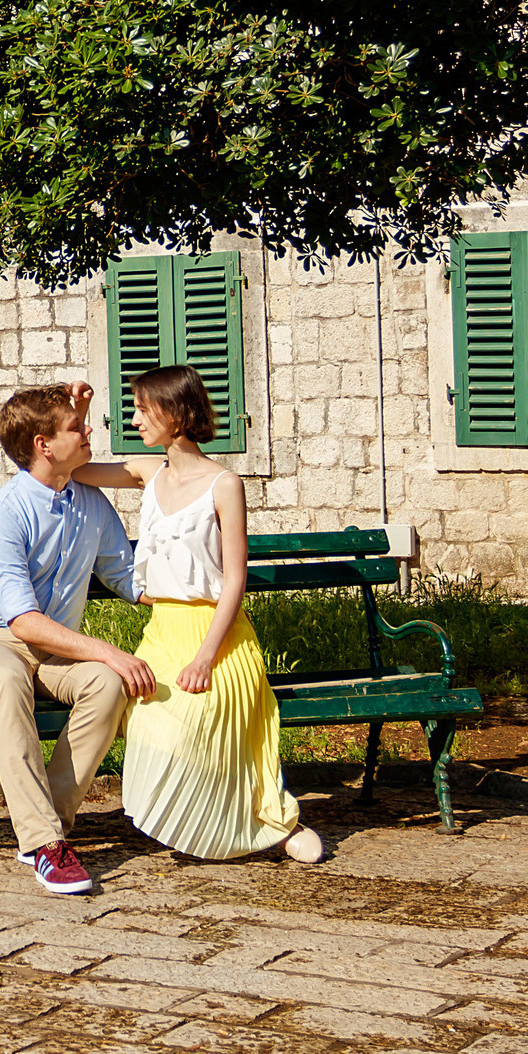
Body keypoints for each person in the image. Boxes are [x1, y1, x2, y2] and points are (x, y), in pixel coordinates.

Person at [71, 370, 324, 864]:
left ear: (176, 414)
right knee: (148, 719)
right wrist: (78, 413)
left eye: (144, 409)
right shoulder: (148, 472)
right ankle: (201, 820)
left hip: (217, 636)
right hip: (162, 631)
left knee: (206, 716)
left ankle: (271, 824)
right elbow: (75, 469)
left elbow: (234, 579)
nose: (134, 418)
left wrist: (207, 657)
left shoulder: (224, 485)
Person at [0, 385, 155, 895]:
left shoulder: (90, 502)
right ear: (44, 444)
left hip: (54, 653)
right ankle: (45, 843)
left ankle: (50, 825)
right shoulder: (6, 511)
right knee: (6, 677)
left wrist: (202, 591)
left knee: (109, 685)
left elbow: (131, 580)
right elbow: (21, 621)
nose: (89, 430)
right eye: (76, 427)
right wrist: (109, 649)